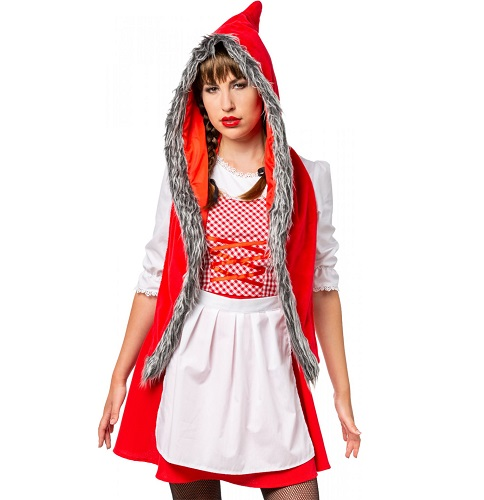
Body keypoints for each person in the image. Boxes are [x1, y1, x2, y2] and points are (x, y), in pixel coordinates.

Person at [98, 2, 361, 499]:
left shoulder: (309, 178)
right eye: (211, 87)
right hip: (194, 366)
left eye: (239, 83)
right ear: (197, 96)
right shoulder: (185, 176)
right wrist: (119, 375)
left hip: (269, 368)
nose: (226, 102)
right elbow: (153, 280)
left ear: (265, 89)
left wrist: (342, 392)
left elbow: (323, 289)